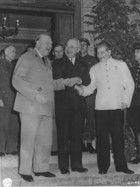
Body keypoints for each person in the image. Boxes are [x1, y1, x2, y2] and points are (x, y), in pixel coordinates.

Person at [12, 33, 80, 182]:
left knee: (45, 141)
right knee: (28, 140)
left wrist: (66, 82)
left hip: (46, 107)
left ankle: (41, 168)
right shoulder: (27, 57)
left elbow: (50, 85)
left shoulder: (47, 61)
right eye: (46, 42)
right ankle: (25, 170)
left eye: (51, 43)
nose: (50, 45)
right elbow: (17, 80)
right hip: (30, 106)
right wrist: (35, 95)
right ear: (37, 43)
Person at [75, 41, 135, 174]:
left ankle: (121, 166)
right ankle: (103, 167)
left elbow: (130, 84)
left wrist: (125, 101)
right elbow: (90, 88)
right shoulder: (94, 69)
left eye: (102, 52)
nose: (99, 55)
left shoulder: (121, 65)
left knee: (118, 137)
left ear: (109, 52)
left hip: (116, 106)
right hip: (101, 107)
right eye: (98, 52)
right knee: (101, 139)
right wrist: (81, 90)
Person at [53, 38, 90, 175]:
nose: (69, 49)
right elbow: (59, 77)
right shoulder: (57, 63)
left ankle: (77, 165)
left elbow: (87, 80)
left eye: (72, 47)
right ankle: (63, 166)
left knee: (77, 135)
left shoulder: (83, 64)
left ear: (78, 50)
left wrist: (78, 79)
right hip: (62, 104)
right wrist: (75, 81)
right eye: (67, 46)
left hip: (78, 105)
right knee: (63, 135)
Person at [78, 38, 97, 153]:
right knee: (79, 117)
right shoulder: (75, 59)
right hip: (78, 92)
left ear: (88, 46)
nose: (83, 47)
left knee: (90, 117)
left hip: (90, 93)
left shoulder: (93, 60)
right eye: (80, 45)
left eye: (85, 45)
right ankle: (80, 143)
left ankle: (89, 142)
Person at [0, 45, 19, 157]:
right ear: (5, 52)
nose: (14, 54)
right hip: (3, 99)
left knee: (13, 124)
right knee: (2, 125)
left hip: (14, 99)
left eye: (15, 51)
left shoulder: (14, 66)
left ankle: (11, 148)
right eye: (12, 51)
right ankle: (1, 149)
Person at [51, 44, 64, 156]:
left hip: (66, 96)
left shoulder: (68, 64)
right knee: (54, 122)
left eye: (61, 51)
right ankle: (54, 147)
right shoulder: (50, 65)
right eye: (56, 51)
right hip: (54, 95)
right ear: (53, 53)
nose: (59, 53)